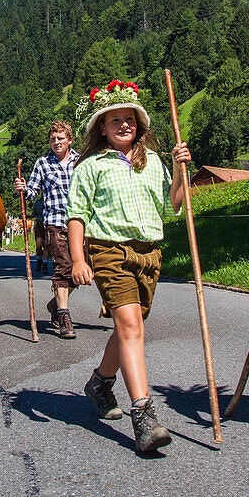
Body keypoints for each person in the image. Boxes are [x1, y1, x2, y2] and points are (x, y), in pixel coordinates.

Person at [67, 80, 192, 453]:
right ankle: (145, 416)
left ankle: (100, 383)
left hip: (149, 254)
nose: (124, 124)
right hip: (109, 252)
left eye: (130, 118)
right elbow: (77, 216)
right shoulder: (90, 167)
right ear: (101, 128)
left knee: (129, 328)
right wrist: (77, 258)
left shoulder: (153, 162)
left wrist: (181, 170)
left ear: (139, 123)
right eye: (114, 119)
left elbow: (175, 203)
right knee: (130, 325)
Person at [14, 120, 81, 338]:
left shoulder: (81, 161)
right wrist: (23, 189)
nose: (56, 142)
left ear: (69, 140)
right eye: (53, 139)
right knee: (62, 268)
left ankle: (54, 304)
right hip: (55, 223)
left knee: (80, 272)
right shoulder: (43, 163)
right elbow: (32, 192)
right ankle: (64, 316)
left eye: (60, 138)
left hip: (80, 224)